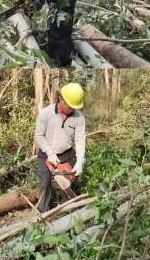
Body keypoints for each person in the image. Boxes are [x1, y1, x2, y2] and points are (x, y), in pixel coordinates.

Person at [34, 83, 86, 212]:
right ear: (61, 99)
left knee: (70, 184)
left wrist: (79, 162)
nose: (72, 110)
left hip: (65, 154)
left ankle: (74, 211)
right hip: (45, 154)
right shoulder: (46, 114)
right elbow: (39, 136)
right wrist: (50, 154)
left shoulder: (79, 118)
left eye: (74, 107)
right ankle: (42, 215)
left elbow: (79, 140)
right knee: (45, 184)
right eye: (70, 106)